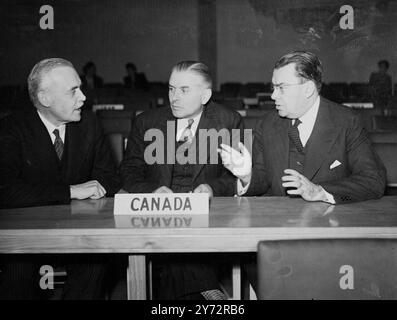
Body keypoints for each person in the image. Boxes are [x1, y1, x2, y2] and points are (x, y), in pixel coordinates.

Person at [120, 60, 243, 299]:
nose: (174, 97)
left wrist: (212, 188)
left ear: (205, 95)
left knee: (179, 243)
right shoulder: (146, 122)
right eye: (171, 88)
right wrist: (152, 190)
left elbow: (238, 176)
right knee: (175, 234)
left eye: (184, 90)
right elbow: (128, 171)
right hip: (159, 211)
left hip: (209, 213)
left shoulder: (229, 121)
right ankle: (207, 289)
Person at [0, 58, 120, 299]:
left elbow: (110, 177)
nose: (84, 97)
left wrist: (98, 188)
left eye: (81, 88)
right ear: (45, 98)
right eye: (73, 91)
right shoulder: (11, 129)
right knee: (16, 271)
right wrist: (70, 191)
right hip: (26, 239)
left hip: (79, 235)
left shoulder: (90, 125)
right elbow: (5, 189)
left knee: (95, 263)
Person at [219, 50, 386, 204]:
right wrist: (246, 176)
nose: (273, 95)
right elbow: (263, 181)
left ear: (308, 89)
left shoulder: (347, 122)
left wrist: (320, 191)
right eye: (273, 87)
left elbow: (373, 181)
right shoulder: (266, 124)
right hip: (278, 222)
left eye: (281, 88)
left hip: (328, 223)